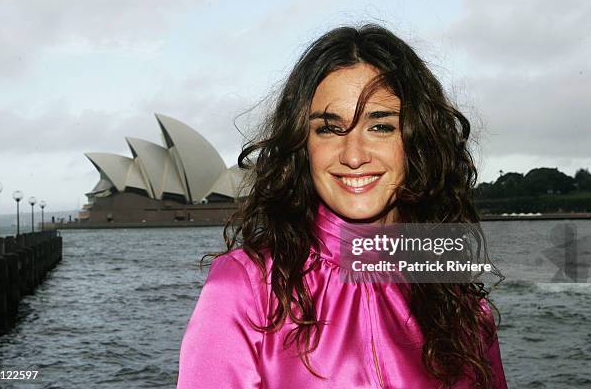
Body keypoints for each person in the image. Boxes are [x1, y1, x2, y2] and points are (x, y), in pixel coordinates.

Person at [176, 24, 507, 388]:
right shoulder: (245, 286)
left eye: (380, 127)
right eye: (329, 129)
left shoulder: (459, 299)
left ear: (418, 139)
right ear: (303, 145)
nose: (353, 156)